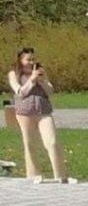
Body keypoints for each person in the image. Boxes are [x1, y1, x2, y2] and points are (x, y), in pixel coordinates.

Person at [9, 47, 68, 182]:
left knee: (52, 142)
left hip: (43, 112)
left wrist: (41, 80)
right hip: (25, 113)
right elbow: (20, 93)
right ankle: (34, 175)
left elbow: (50, 91)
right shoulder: (14, 74)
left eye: (33, 59)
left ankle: (60, 175)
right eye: (27, 60)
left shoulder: (40, 72)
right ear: (20, 60)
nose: (31, 62)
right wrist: (32, 81)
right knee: (30, 144)